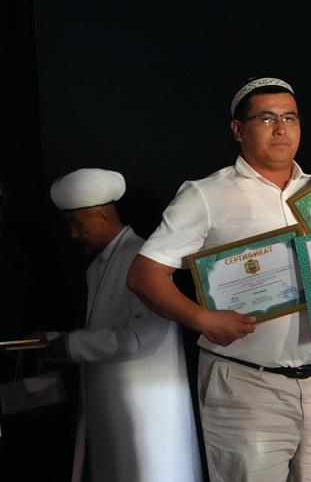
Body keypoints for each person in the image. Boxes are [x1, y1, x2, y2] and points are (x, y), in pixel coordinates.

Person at [127, 77, 311, 482]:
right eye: (266, 118)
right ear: (238, 130)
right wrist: (201, 319)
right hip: (246, 386)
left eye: (290, 118)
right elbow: (144, 273)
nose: (281, 128)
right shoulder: (206, 195)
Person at [37, 168, 202, 482]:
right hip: (114, 409)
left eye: (76, 223)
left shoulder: (143, 258)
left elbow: (143, 337)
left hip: (149, 410)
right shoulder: (97, 267)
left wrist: (71, 345)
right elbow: (104, 330)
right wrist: (55, 341)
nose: (73, 234)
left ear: (101, 215)